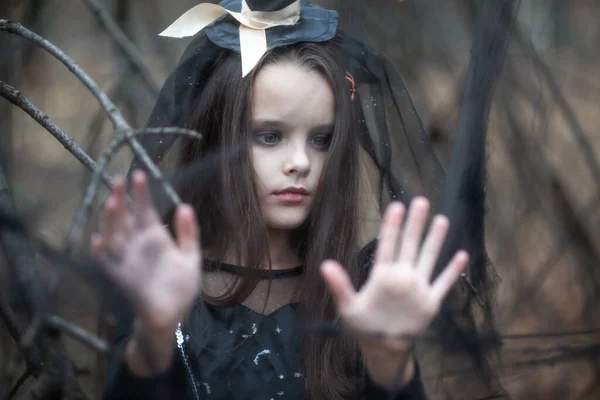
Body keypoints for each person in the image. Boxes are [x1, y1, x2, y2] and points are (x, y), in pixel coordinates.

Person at [93, 1, 478, 399]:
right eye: (269, 136)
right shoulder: (161, 277)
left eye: (321, 139)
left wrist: (391, 367)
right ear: (217, 140)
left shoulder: (363, 289)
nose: (300, 163)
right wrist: (152, 344)